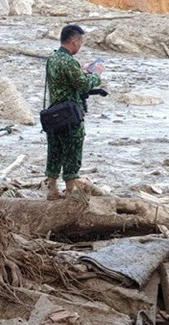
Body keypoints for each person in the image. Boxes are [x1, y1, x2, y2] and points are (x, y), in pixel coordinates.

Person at [44, 24, 103, 200]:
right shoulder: (69, 62)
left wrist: (81, 71)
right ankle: (70, 191)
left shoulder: (53, 58)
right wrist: (96, 75)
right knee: (72, 150)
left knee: (54, 150)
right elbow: (84, 85)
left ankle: (52, 189)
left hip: (53, 113)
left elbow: (64, 80)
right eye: (80, 42)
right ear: (75, 41)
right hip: (69, 115)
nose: (80, 46)